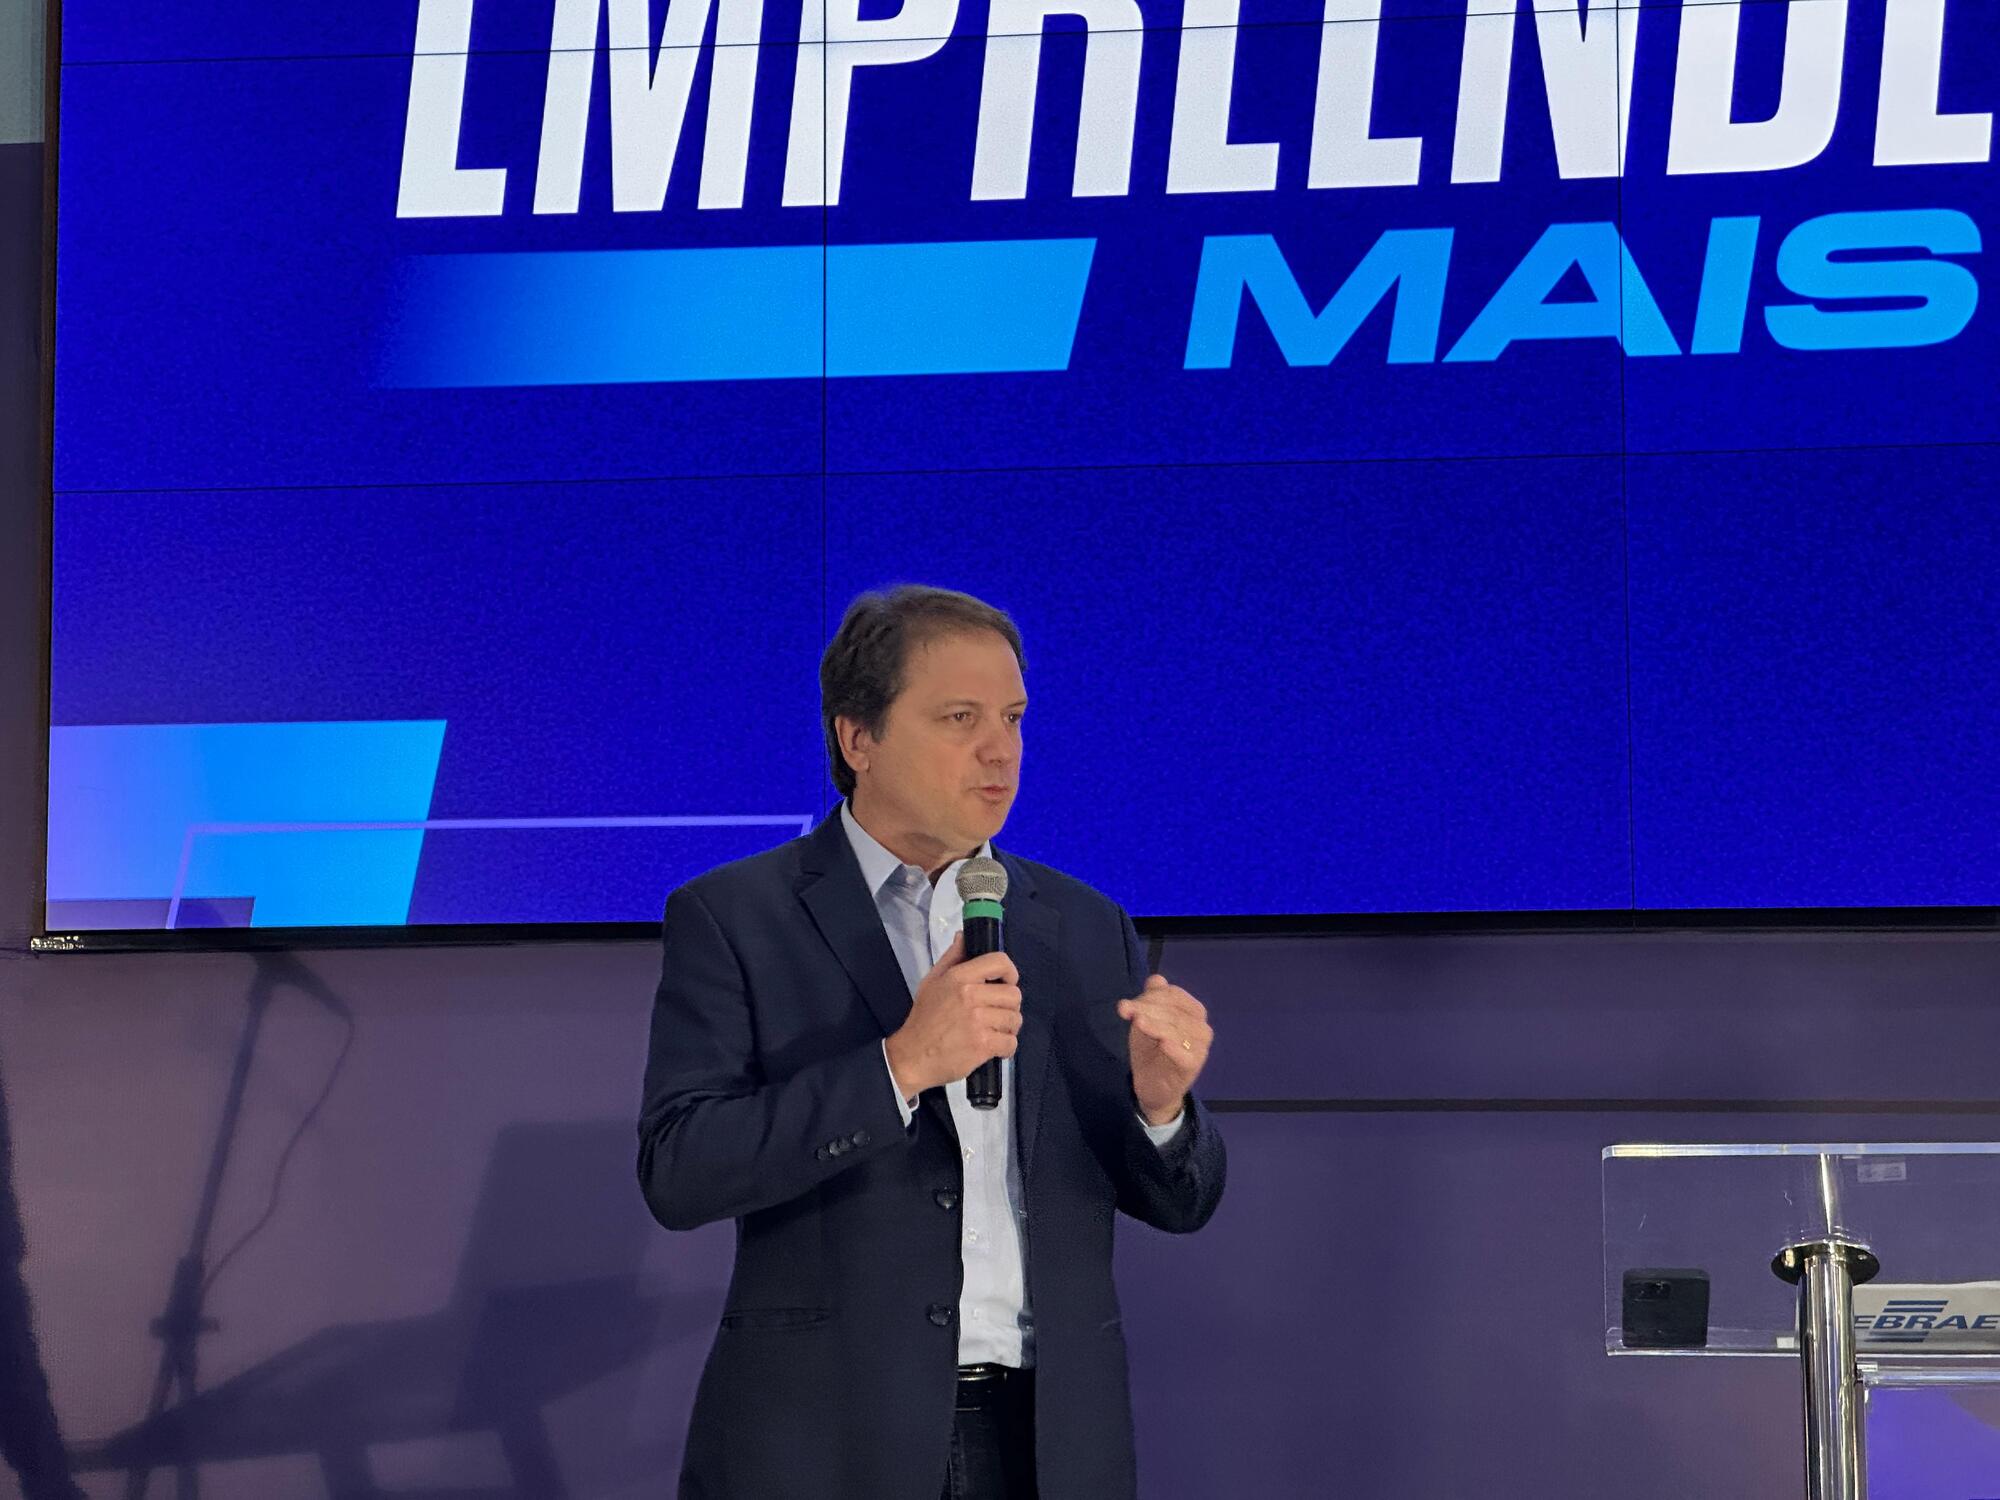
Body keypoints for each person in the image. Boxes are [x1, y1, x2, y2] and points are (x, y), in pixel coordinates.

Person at [638, 585, 1226, 1500]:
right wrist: (901, 1065)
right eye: (960, 718)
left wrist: (1161, 1108)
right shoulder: (736, 916)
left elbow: (1180, 1204)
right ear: (858, 739)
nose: (1001, 750)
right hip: (832, 1441)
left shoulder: (1083, 925)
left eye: (1014, 718)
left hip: (1051, 1443)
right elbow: (680, 1171)